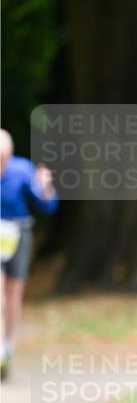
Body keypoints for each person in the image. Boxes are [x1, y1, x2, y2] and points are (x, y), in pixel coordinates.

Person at [1, 129, 58, 380]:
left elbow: (46, 205)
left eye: (3, 158)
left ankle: (8, 344)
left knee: (14, 294)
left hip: (19, 233)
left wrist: (46, 187)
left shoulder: (22, 170)